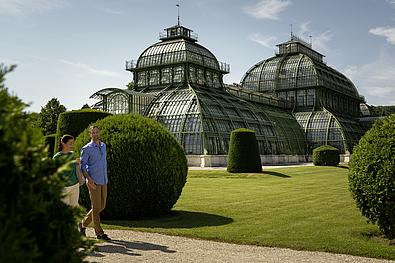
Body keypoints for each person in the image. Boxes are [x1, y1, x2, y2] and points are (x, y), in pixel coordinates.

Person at [78, 125, 111, 241]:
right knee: (96, 208)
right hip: (93, 181)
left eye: (97, 132)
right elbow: (82, 166)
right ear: (90, 134)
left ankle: (82, 224)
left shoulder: (103, 146)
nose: (95, 134)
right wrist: (88, 178)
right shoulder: (86, 149)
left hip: (104, 180)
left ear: (99, 133)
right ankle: (99, 233)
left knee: (101, 206)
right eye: (93, 133)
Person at [53, 135, 80, 207]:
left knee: (74, 209)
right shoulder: (57, 157)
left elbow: (77, 168)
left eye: (73, 143)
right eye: (70, 143)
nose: (72, 145)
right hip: (64, 188)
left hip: (75, 185)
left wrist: (78, 163)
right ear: (63, 143)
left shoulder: (73, 154)